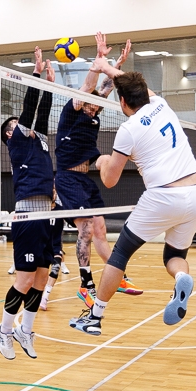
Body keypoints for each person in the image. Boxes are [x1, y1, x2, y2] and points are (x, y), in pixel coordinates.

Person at [70, 61, 196, 336]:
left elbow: (110, 180)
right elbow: (131, 83)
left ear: (122, 102)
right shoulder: (160, 103)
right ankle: (182, 277)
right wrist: (107, 68)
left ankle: (95, 317)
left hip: (164, 195)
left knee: (119, 254)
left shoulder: (128, 130)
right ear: (144, 92)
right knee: (174, 255)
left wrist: (102, 162)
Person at [54, 32, 142, 309]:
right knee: (87, 228)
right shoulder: (74, 110)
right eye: (96, 100)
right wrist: (98, 59)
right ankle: (85, 284)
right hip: (67, 179)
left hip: (83, 178)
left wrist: (117, 64)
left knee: (100, 229)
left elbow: (106, 87)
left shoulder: (94, 114)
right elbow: (91, 85)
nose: (99, 103)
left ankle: (119, 276)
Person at [0, 47, 55, 360]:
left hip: (48, 214)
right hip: (28, 213)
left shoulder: (39, 139)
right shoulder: (17, 142)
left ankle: (25, 331)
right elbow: (30, 110)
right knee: (25, 279)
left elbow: (42, 114)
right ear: (10, 132)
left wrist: (50, 86)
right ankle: (3, 330)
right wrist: (36, 73)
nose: (23, 124)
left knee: (41, 279)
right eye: (16, 123)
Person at [40, 189, 67, 311]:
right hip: (42, 245)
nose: (54, 194)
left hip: (55, 246)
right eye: (52, 192)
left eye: (55, 192)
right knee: (40, 274)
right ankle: (36, 294)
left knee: (56, 268)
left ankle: (45, 297)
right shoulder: (41, 210)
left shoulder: (61, 209)